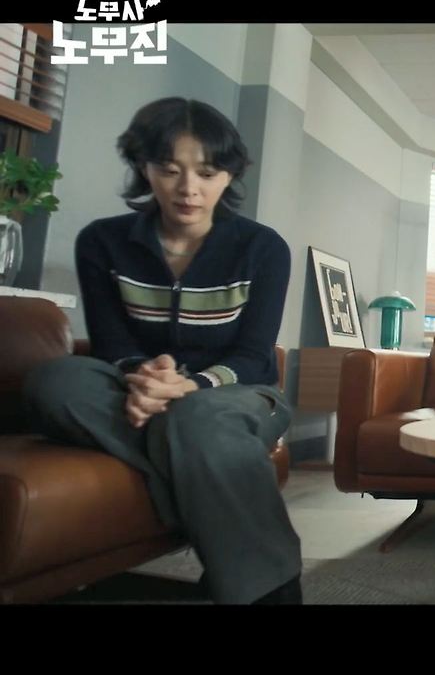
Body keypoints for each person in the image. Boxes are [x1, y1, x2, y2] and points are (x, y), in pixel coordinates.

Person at [24, 97, 302, 605]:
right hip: (140, 389)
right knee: (55, 380)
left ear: (229, 175)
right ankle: (215, 507)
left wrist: (191, 386)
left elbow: (252, 353)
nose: (188, 188)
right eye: (170, 170)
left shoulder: (262, 248)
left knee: (197, 416)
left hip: (241, 392)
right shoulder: (102, 242)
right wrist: (145, 378)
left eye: (207, 172)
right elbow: (113, 344)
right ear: (144, 167)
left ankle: (270, 591)